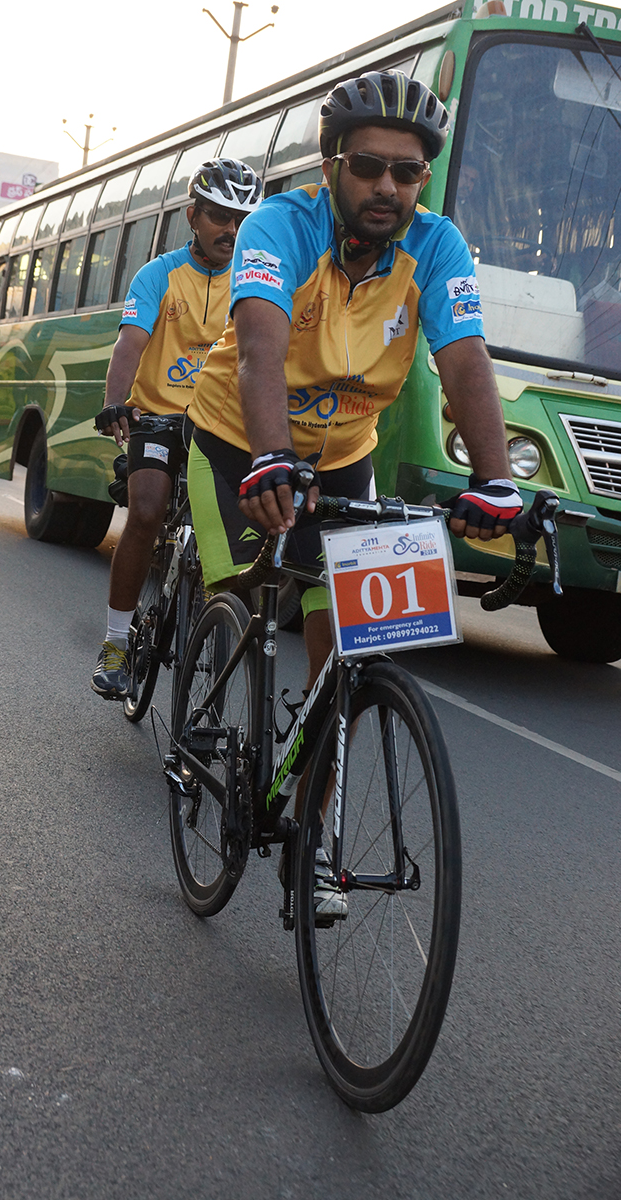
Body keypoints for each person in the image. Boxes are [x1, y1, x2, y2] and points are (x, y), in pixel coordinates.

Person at [185, 70, 522, 918]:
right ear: (332, 165)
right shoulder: (282, 224)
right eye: (369, 167)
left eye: (407, 173)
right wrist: (269, 456)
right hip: (240, 438)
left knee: (344, 656)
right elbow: (260, 347)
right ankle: (212, 723)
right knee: (244, 591)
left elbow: (464, 359)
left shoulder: (436, 245)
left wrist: (496, 479)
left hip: (341, 457)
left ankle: (313, 848)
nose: (387, 188)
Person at [91, 158, 263, 699]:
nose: (231, 229)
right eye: (219, 216)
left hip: (225, 424)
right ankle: (116, 642)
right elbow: (130, 343)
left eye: (243, 219)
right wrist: (115, 403)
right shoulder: (158, 275)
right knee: (145, 511)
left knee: (245, 537)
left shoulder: (258, 280)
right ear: (193, 216)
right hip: (159, 418)